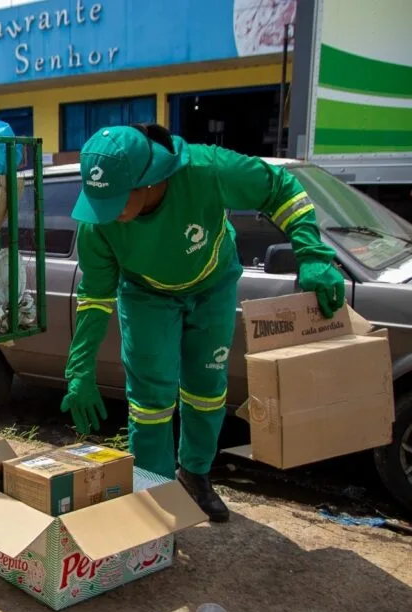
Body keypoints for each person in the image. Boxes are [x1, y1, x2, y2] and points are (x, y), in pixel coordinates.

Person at [62, 123, 345, 522]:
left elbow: (281, 188)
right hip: (147, 295)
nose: (106, 215)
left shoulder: (206, 169)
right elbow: (96, 295)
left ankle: (194, 476)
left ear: (149, 181)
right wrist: (80, 368)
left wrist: (312, 252)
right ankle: (155, 499)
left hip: (212, 285)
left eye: (115, 202)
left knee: (206, 390)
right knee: (149, 402)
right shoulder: (99, 223)